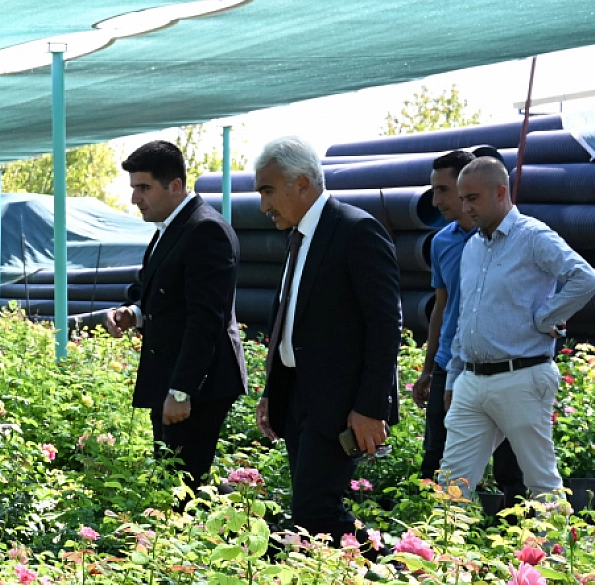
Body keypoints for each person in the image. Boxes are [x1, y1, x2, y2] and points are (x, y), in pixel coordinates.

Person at [254, 136, 402, 541]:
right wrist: (273, 391)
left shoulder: (356, 231)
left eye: (268, 190)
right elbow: (290, 319)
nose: (264, 205)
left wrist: (370, 407)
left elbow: (385, 325)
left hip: (340, 404)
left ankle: (397, 569)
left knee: (315, 511)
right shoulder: (298, 236)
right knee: (310, 514)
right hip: (300, 397)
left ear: (301, 184)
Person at [437, 156, 595, 500]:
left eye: (473, 198)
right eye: (462, 199)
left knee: (541, 482)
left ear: (500, 193)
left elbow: (585, 279)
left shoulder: (533, 236)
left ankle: (553, 553)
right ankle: (448, 553)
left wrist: (546, 317)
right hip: (472, 379)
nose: (465, 208)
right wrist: (454, 377)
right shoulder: (472, 246)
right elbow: (465, 315)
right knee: (451, 484)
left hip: (522, 375)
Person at [101, 140, 246, 491]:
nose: (136, 198)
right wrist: (132, 313)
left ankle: (263, 541)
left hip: (199, 385)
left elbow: (206, 319)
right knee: (177, 480)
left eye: (144, 187)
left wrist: (182, 390)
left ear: (176, 186)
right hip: (174, 377)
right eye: (134, 188)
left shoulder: (204, 231)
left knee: (185, 484)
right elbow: (161, 296)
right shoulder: (171, 229)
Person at [412, 148, 525, 496]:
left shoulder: (509, 238)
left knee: (511, 463)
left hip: (501, 365)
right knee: (436, 455)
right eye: (434, 190)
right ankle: (431, 536)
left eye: (444, 190)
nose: (437, 200)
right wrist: (429, 368)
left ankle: (516, 539)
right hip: (451, 363)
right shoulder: (442, 242)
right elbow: (441, 308)